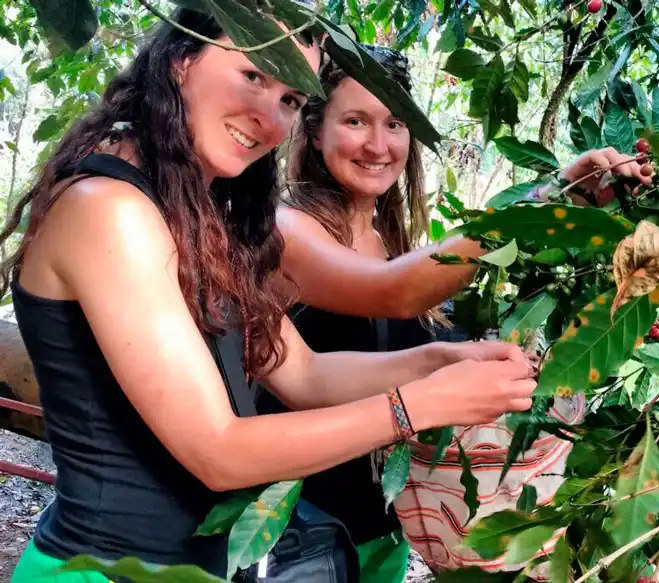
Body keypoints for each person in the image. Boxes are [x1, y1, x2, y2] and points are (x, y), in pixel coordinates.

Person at [1, 11, 536, 583]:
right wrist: (419, 407)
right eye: (254, 75)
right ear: (183, 60)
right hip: (102, 571)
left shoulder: (199, 215)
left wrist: (437, 362)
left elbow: (303, 374)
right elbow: (218, 451)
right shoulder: (110, 208)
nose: (268, 116)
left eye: (289, 99)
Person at [270, 43, 653, 579]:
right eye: (355, 120)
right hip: (296, 532)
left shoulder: (393, 238)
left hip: (384, 531)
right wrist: (544, 204)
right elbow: (393, 292)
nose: (378, 144)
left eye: (396, 123)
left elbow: (418, 324)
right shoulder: (284, 231)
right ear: (314, 131)